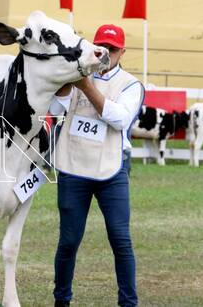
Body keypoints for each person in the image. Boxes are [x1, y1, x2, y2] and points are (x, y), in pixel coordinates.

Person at [50, 24, 143, 307]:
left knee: (120, 240)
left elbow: (119, 119)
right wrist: (67, 81)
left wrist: (86, 86)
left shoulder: (130, 84)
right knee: (68, 241)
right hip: (74, 166)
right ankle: (61, 300)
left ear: (122, 52)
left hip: (111, 171)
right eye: (101, 47)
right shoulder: (78, 75)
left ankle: (128, 303)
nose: (106, 53)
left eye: (113, 49)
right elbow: (54, 110)